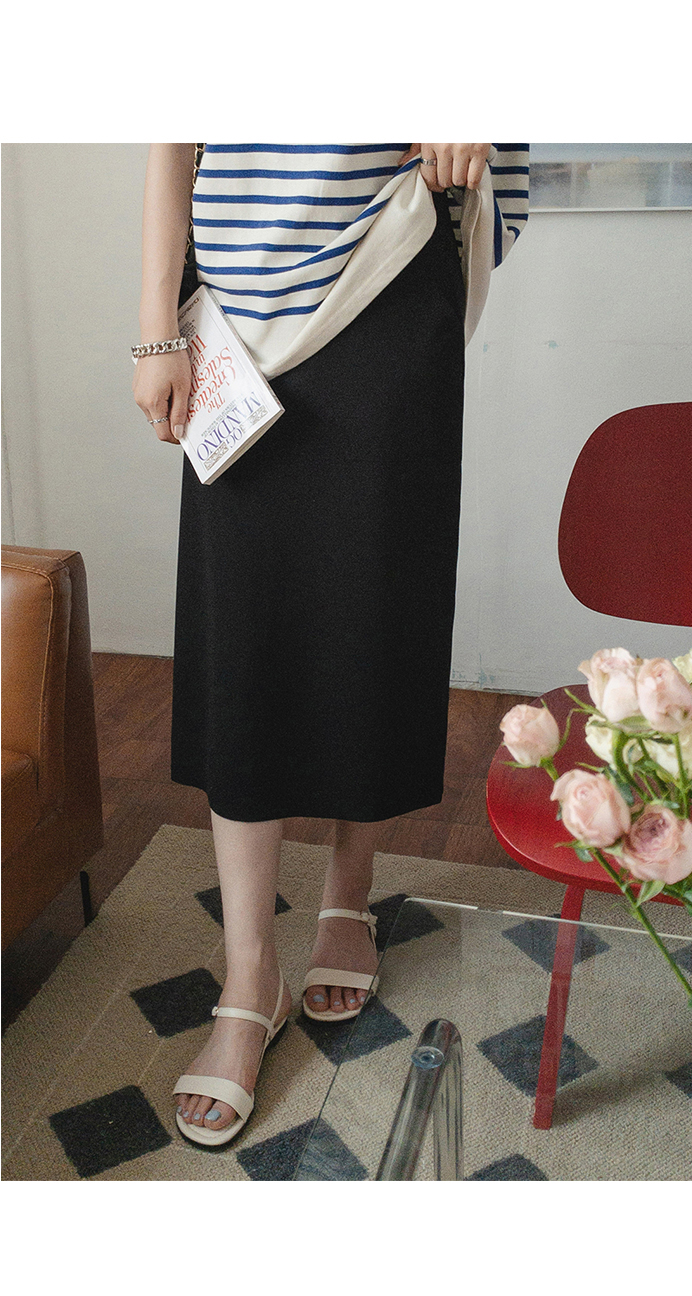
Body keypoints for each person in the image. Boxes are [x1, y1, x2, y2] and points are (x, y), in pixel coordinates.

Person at [133, 142, 528, 1146]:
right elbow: (171, 129)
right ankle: (250, 975)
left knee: (376, 609)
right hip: (232, 310)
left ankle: (348, 893)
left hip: (386, 264)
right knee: (241, 637)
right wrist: (154, 327)